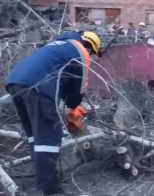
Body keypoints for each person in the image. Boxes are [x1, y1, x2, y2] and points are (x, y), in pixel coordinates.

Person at [5, 31, 101, 195]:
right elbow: (79, 86)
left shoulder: (58, 45)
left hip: (15, 83)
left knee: (35, 136)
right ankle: (51, 190)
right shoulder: (81, 51)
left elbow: (61, 77)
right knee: (49, 138)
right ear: (90, 47)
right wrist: (73, 106)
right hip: (38, 88)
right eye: (93, 53)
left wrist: (65, 101)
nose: (91, 56)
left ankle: (42, 179)